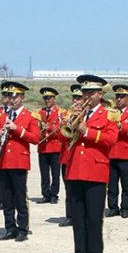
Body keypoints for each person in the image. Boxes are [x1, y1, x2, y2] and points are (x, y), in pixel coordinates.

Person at [64, 75, 118, 253]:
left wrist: (86, 131)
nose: (87, 96)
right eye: (84, 92)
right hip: (75, 170)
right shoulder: (75, 113)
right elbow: (66, 139)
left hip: (95, 170)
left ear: (100, 94)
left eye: (91, 93)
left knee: (94, 218)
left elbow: (110, 139)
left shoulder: (109, 115)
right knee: (78, 218)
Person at [0, 81, 40, 241]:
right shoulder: (2, 116)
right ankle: (9, 228)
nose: (12, 100)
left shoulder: (29, 116)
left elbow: (35, 138)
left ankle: (23, 228)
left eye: (15, 97)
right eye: (9, 96)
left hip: (19, 161)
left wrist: (17, 129)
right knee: (6, 197)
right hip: (3, 161)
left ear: (22, 97)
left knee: (20, 197)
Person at [106, 84, 128, 218]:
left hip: (126, 153)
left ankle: (126, 208)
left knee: (127, 184)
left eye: (122, 97)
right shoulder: (110, 112)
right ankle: (113, 207)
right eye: (117, 96)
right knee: (111, 184)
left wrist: (122, 127)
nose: (119, 99)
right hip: (111, 152)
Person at [58, 84, 83, 227]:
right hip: (67, 157)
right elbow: (61, 138)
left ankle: (80, 215)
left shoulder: (86, 114)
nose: (76, 101)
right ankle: (70, 215)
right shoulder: (65, 114)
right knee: (69, 188)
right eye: (74, 97)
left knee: (81, 188)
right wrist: (64, 126)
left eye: (78, 98)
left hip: (80, 157)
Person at [37, 87, 63, 204]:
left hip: (55, 146)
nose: (47, 100)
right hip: (43, 147)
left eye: (49, 98)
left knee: (55, 173)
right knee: (44, 173)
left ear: (54, 99)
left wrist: (50, 128)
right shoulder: (39, 113)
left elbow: (61, 130)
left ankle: (54, 194)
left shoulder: (60, 113)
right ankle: (45, 193)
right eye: (45, 98)